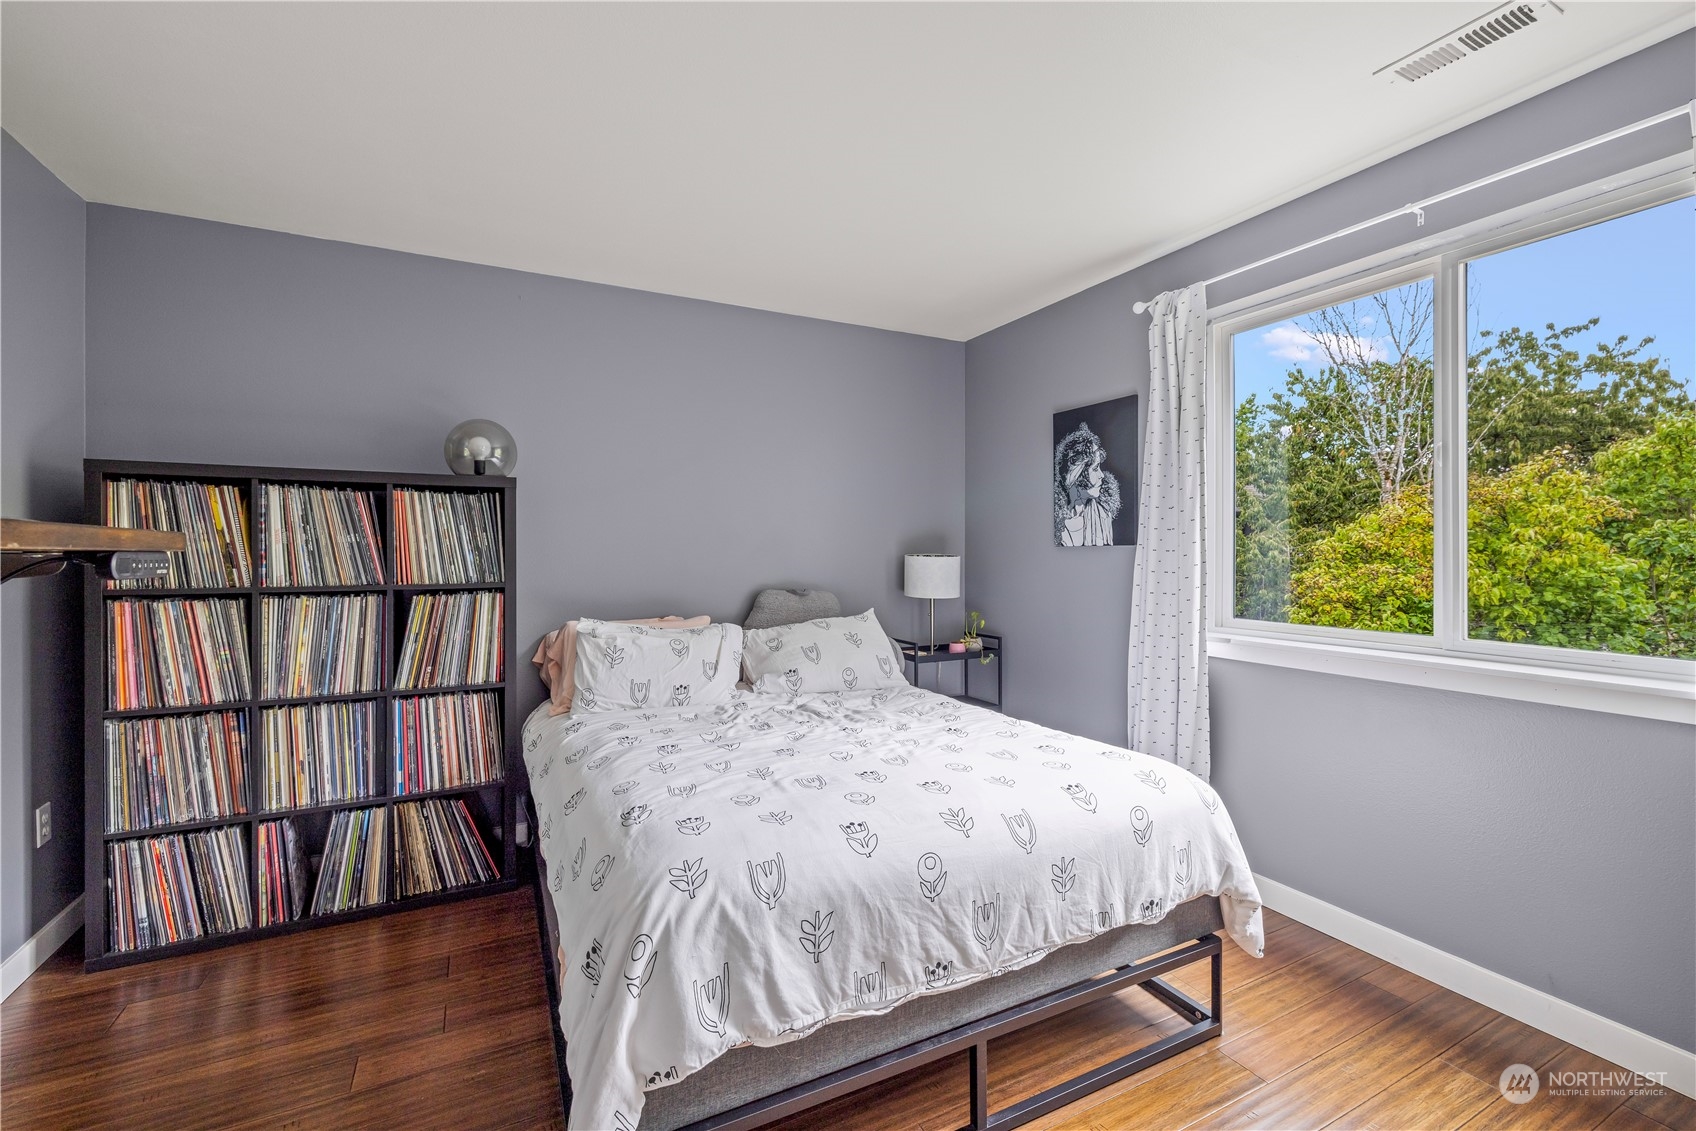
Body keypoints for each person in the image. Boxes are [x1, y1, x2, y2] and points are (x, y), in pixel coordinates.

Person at [1053, 423, 1121, 546]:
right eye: (1095, 469)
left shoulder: (1103, 514)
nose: (1102, 475)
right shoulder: (1056, 522)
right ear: (1077, 475)